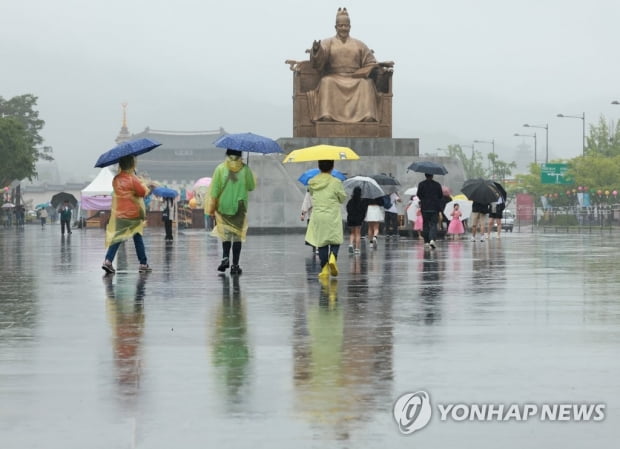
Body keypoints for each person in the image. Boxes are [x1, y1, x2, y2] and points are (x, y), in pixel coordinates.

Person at [308, 7, 386, 123]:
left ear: (350, 27)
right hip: (334, 76)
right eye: (340, 26)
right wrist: (316, 50)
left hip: (355, 77)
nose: (343, 28)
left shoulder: (359, 44)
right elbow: (320, 57)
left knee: (367, 83)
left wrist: (375, 67)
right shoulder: (328, 42)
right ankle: (327, 115)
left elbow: (370, 61)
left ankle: (368, 116)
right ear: (335, 27)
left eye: (346, 26)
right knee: (326, 82)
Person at [206, 149, 256, 276]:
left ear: (227, 155)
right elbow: (251, 187)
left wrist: (213, 206)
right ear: (241, 155)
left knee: (226, 234)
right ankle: (235, 265)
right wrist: (248, 173)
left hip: (223, 205)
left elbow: (215, 190)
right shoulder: (245, 169)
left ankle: (225, 258)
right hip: (240, 206)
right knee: (237, 235)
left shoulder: (220, 169)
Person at [102, 155, 153, 274]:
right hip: (133, 214)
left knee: (117, 238)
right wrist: (140, 181)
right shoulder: (132, 179)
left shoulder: (116, 179)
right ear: (132, 164)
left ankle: (108, 261)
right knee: (137, 238)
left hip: (119, 213)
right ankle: (143, 263)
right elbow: (142, 193)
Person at [305, 159, 347, 278]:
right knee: (335, 239)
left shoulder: (312, 182)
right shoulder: (336, 182)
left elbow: (312, 194)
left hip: (318, 214)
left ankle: (324, 269)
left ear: (319, 167)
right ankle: (333, 256)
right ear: (332, 166)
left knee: (322, 242)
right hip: (332, 213)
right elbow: (342, 198)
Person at [416, 173, 443, 249]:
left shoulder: (421, 184)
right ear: (432, 175)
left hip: (425, 207)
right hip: (434, 208)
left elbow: (418, 195)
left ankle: (426, 241)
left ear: (425, 175)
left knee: (425, 224)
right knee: (433, 224)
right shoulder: (437, 185)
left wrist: (424, 199)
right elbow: (440, 196)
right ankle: (432, 239)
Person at [346, 186, 368, 254]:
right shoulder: (362, 201)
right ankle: (357, 249)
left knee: (352, 233)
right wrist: (362, 218)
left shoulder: (350, 201)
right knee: (358, 233)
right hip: (358, 219)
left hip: (351, 219)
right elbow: (364, 211)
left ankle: (350, 244)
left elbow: (348, 209)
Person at [300, 189, 317, 254]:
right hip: (322, 215)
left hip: (313, 216)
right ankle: (318, 247)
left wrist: (303, 214)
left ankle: (315, 247)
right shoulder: (325, 189)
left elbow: (306, 203)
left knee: (313, 233)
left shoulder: (310, 191)